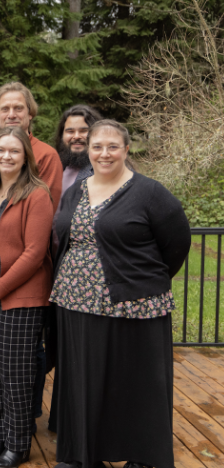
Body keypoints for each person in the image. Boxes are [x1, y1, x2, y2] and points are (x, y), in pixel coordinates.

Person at [50, 120, 190, 468]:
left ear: (126, 150)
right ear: (89, 151)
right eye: (97, 146)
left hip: (134, 302)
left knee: (134, 383)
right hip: (75, 302)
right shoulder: (76, 190)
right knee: (83, 380)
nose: (104, 153)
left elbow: (177, 243)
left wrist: (142, 280)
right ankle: (83, 453)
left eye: (113, 146)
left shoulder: (149, 192)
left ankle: (140, 456)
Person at [0, 82, 62, 428]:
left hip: (25, 273)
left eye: (18, 108)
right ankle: (0, 417)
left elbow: (38, 217)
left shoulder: (46, 155)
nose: (11, 114)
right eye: (5, 109)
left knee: (21, 358)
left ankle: (25, 415)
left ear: (30, 112)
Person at [54, 105, 103, 198]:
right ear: (62, 135)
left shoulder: (108, 171)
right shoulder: (53, 167)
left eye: (83, 131)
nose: (76, 136)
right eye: (70, 131)